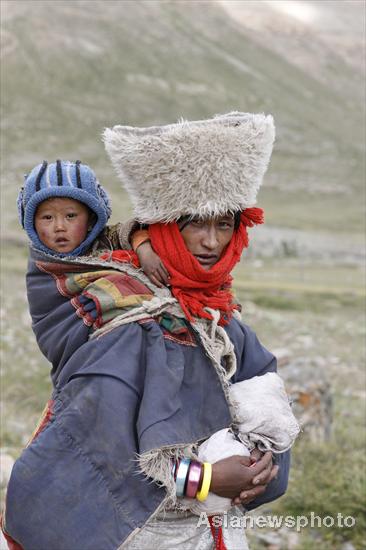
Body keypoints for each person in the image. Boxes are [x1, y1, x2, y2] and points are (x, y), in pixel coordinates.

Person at [4, 112, 295, 550]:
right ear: (165, 229)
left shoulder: (220, 320)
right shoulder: (126, 327)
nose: (211, 243)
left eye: (224, 224)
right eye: (194, 223)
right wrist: (211, 479)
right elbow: (113, 458)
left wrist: (261, 469)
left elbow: (267, 408)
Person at [17, 158, 170, 285]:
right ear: (32, 224)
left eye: (70, 216)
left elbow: (130, 232)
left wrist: (144, 250)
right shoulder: (41, 272)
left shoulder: (105, 240)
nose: (59, 227)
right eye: (47, 217)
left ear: (91, 219)